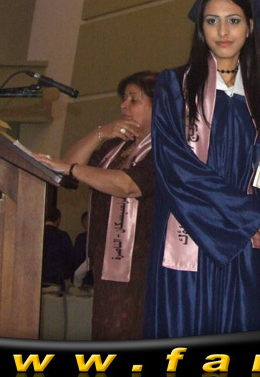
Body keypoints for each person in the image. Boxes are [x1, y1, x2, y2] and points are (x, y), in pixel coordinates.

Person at [142, 0, 260, 338]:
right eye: (212, 21)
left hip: (243, 242)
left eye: (234, 21)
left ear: (250, 27)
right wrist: (255, 216)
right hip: (189, 238)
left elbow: (259, 176)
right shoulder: (175, 86)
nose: (223, 31)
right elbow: (177, 170)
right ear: (201, 28)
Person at [36, 70, 158, 339]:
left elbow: (128, 185)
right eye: (123, 98)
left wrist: (71, 168)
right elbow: (67, 168)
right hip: (107, 262)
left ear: (158, 105)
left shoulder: (166, 147)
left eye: (134, 99)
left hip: (143, 264)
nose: (123, 105)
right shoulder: (116, 146)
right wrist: (100, 133)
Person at [41, 206, 73, 289]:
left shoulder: (38, 235)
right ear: (58, 219)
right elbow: (70, 258)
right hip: (56, 279)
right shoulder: (63, 236)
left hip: (39, 278)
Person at [72, 211, 93, 287]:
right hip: (91, 278)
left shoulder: (80, 238)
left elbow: (76, 259)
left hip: (83, 279)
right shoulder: (81, 238)